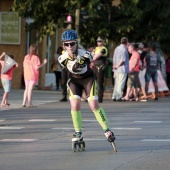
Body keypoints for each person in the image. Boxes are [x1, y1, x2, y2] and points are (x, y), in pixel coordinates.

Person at [58, 29, 116, 144]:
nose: (70, 46)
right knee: (75, 105)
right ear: (63, 45)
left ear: (76, 43)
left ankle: (107, 130)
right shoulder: (62, 58)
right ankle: (78, 132)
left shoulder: (85, 53)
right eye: (66, 44)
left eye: (72, 43)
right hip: (75, 80)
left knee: (93, 104)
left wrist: (82, 60)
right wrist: (76, 64)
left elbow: (88, 59)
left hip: (87, 79)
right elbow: (73, 69)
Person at [112, 37, 129, 101]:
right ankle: (118, 96)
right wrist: (117, 66)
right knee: (121, 83)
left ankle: (114, 96)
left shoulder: (117, 48)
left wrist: (114, 65)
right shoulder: (124, 50)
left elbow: (114, 57)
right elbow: (122, 60)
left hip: (116, 69)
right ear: (126, 42)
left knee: (116, 83)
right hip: (122, 69)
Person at [92, 36, 108, 103]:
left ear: (103, 42)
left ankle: (100, 98)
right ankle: (93, 97)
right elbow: (92, 55)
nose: (99, 42)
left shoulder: (104, 49)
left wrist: (93, 56)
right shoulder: (95, 48)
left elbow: (95, 56)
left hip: (100, 66)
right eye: (98, 41)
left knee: (99, 82)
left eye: (100, 41)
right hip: (95, 66)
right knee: (93, 82)